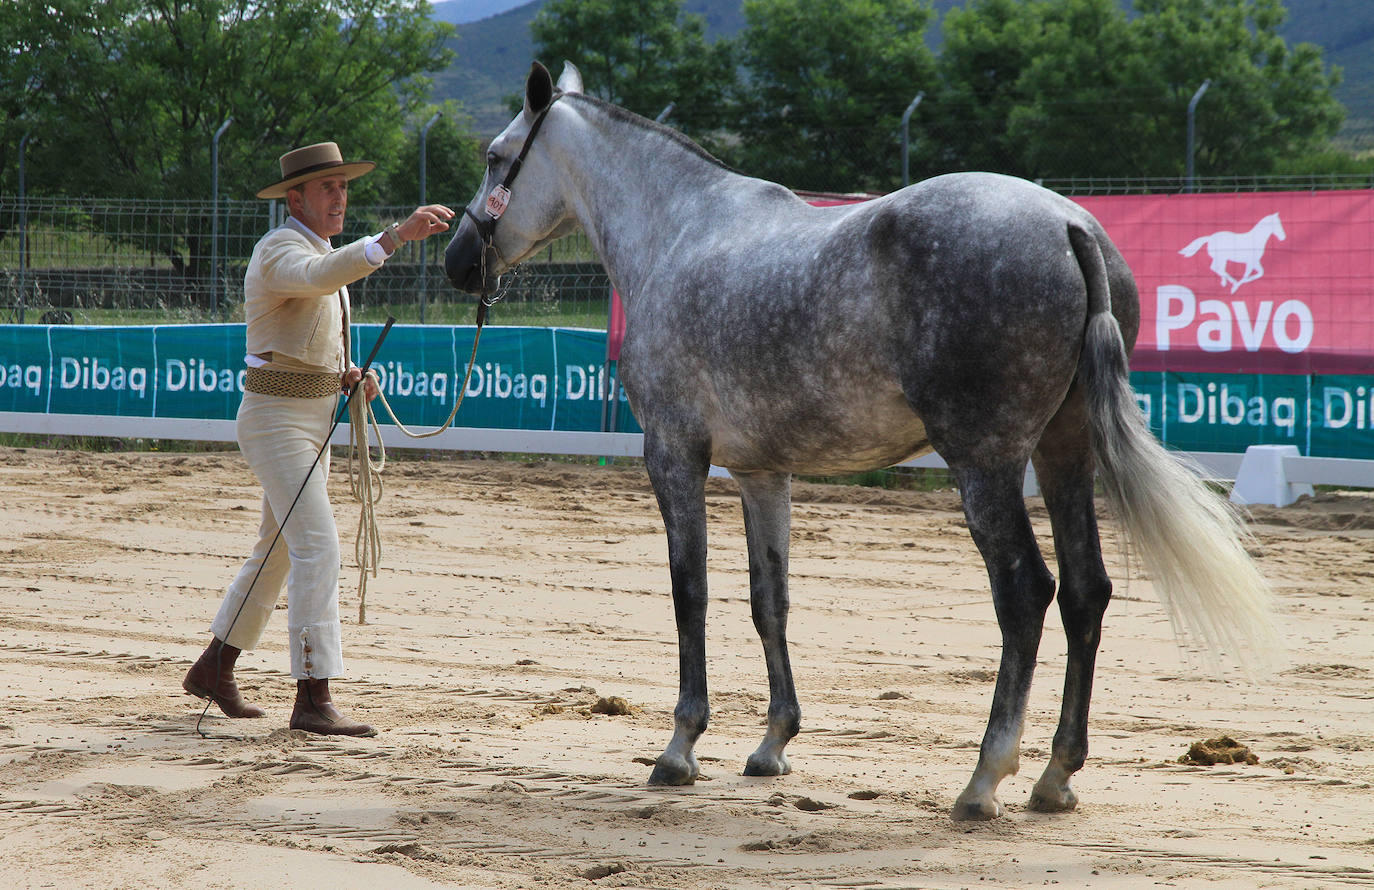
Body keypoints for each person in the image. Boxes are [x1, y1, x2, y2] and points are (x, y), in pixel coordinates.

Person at [182, 142, 455, 737]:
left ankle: (215, 666)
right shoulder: (280, 248)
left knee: (280, 550)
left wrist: (348, 377)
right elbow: (313, 279)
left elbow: (314, 322)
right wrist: (393, 238)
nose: (339, 197)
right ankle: (312, 695)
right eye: (327, 187)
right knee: (317, 546)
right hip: (277, 419)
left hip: (308, 417)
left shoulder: (321, 253)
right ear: (295, 198)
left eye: (342, 186)